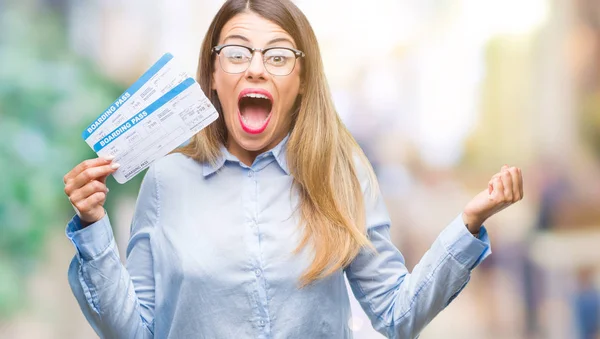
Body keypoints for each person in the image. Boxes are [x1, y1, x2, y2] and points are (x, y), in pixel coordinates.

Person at [62, 0, 524, 338]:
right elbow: (133, 331)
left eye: (278, 56)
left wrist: (468, 223)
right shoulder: (166, 181)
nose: (257, 69)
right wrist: (93, 228)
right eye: (238, 54)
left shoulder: (341, 176)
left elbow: (397, 315)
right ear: (214, 76)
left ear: (301, 83)